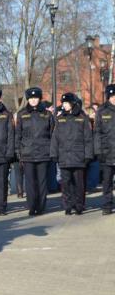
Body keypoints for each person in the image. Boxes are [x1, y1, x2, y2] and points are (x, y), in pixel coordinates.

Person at [51, 93, 93, 215]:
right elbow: (55, 138)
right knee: (66, 183)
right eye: (63, 103)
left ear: (73, 103)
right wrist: (54, 153)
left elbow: (88, 138)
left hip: (79, 156)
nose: (64, 105)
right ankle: (68, 205)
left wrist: (88, 155)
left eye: (66, 103)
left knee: (79, 184)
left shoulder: (82, 118)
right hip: (64, 157)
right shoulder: (60, 119)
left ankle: (79, 205)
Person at [16, 87, 54, 216]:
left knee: (42, 182)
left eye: (35, 98)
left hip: (43, 152)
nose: (33, 100)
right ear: (28, 99)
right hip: (27, 153)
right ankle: (32, 206)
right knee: (30, 182)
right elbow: (18, 135)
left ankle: (41, 206)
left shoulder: (47, 114)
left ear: (40, 98)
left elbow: (52, 133)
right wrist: (18, 151)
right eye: (31, 98)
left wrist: (51, 151)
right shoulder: (22, 114)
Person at [95, 84, 115, 215]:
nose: (114, 99)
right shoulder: (102, 111)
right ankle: (107, 205)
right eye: (112, 96)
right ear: (108, 97)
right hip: (107, 153)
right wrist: (98, 151)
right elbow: (97, 133)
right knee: (107, 182)